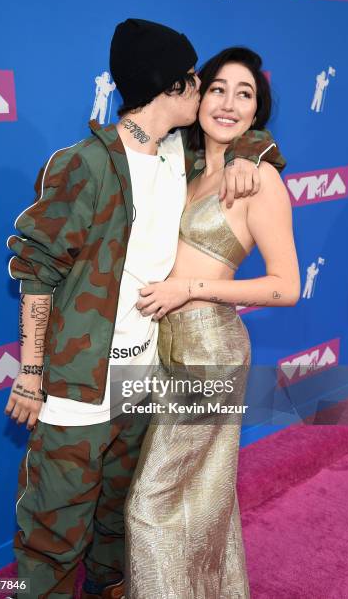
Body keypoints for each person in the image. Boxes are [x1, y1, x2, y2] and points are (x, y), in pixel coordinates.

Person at [5, 19, 285, 599]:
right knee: (55, 536)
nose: (209, 93)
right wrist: (31, 376)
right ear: (175, 87)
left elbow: (242, 139)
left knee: (119, 525)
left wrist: (253, 151)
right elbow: (37, 272)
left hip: (147, 378)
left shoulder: (176, 158)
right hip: (78, 386)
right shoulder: (83, 164)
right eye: (197, 81)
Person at [127, 47, 301, 598]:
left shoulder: (259, 181)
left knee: (148, 507)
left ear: (258, 111)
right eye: (218, 88)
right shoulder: (185, 166)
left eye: (244, 94)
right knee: (203, 499)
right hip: (166, 346)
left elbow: (286, 286)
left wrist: (191, 288)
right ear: (198, 96)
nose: (228, 103)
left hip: (211, 350)